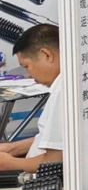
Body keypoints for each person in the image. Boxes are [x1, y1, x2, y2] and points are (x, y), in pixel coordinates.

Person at [0, 24, 63, 173]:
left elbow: (55, 161)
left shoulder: (61, 93)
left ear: (47, 55)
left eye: (27, 66)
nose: (28, 74)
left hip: (44, 179)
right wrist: (12, 148)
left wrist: (9, 164)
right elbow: (55, 141)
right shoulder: (66, 84)